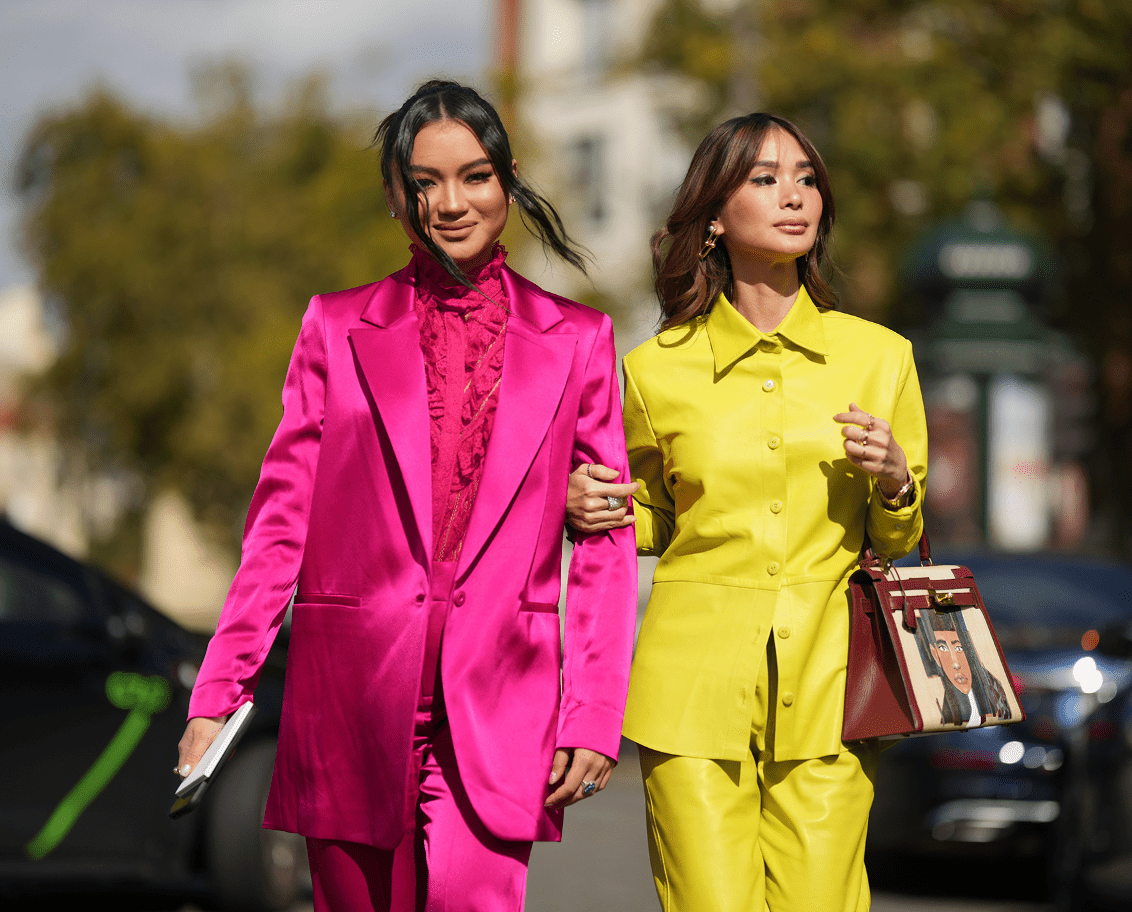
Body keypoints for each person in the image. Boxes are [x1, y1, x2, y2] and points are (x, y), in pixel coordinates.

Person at [176, 80, 637, 912]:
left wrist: (594, 713)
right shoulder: (334, 326)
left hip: (499, 704)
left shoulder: (581, 341)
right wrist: (221, 692)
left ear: (508, 179)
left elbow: (607, 542)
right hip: (349, 699)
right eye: (424, 183)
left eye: (473, 176)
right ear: (397, 196)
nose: (451, 203)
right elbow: (279, 526)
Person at [568, 113, 928, 912]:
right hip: (690, 690)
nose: (794, 195)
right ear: (713, 217)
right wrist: (590, 506)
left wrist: (897, 482)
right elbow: (654, 518)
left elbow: (899, 537)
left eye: (805, 178)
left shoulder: (881, 357)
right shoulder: (654, 371)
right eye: (764, 179)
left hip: (834, 693)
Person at [916, 610, 1011, 726]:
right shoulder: (936, 705)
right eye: (943, 648)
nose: (956, 664)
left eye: (959, 648)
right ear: (935, 654)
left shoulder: (995, 691)